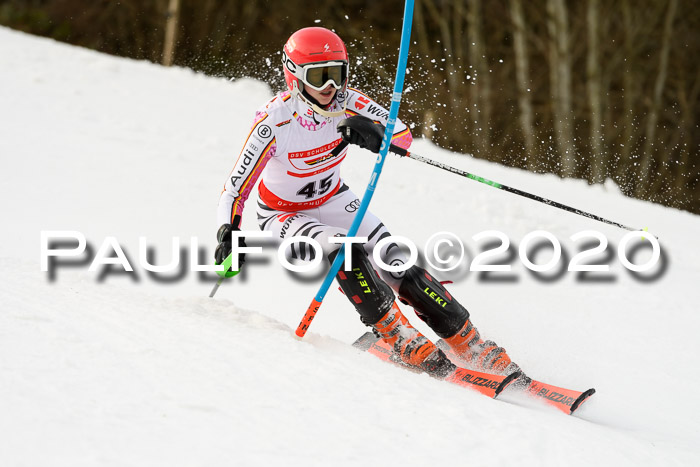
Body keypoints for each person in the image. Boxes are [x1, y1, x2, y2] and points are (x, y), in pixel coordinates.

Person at [215, 27, 524, 381]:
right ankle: (397, 334)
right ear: (295, 77)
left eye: (338, 74)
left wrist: (375, 132)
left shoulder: (349, 101)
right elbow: (235, 188)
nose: (331, 87)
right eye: (320, 77)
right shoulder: (274, 121)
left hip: (333, 198)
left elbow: (404, 135)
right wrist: (229, 233)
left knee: (394, 257)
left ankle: (469, 341)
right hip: (284, 213)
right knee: (343, 249)